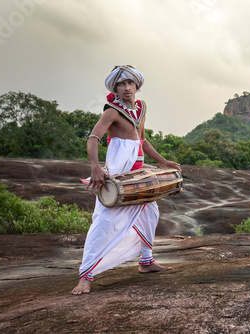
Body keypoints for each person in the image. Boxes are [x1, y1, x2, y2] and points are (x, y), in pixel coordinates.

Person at [72, 65, 181, 295]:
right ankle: (85, 276)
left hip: (137, 171)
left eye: (130, 83)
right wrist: (95, 166)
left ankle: (146, 261)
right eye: (121, 84)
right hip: (119, 172)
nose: (127, 88)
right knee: (104, 222)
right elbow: (93, 138)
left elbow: (142, 139)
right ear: (116, 88)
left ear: (137, 85)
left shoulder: (141, 108)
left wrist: (163, 162)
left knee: (150, 214)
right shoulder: (111, 111)